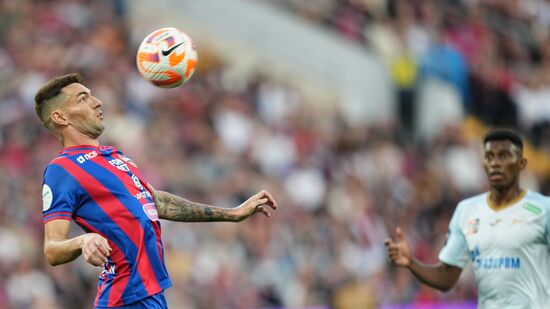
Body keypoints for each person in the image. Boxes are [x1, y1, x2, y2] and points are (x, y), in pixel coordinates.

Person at [34, 73, 278, 309]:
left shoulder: (115, 157)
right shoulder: (62, 170)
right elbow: (52, 249)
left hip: (151, 295)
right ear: (60, 117)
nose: (97, 102)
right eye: (83, 99)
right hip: (124, 299)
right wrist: (83, 240)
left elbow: (156, 203)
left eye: (92, 95)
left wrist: (231, 214)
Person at [385, 129, 550, 308]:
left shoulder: (543, 209)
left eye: (504, 156)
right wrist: (411, 263)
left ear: (521, 164)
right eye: (489, 157)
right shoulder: (467, 211)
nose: (495, 163)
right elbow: (447, 278)